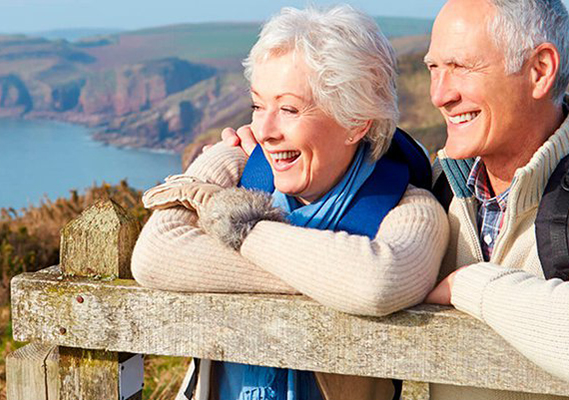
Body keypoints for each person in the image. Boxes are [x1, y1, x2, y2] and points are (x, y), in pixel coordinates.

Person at [132, 5, 449, 400]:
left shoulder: (409, 210)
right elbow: (154, 256)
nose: (263, 131)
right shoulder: (239, 167)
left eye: (288, 109)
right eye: (257, 105)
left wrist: (239, 228)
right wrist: (326, 275)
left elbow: (377, 283)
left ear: (357, 122)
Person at [412, 0, 569, 398]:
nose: (439, 95)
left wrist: (471, 286)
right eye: (434, 68)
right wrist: (254, 164)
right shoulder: (435, 188)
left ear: (540, 71)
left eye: (461, 67)